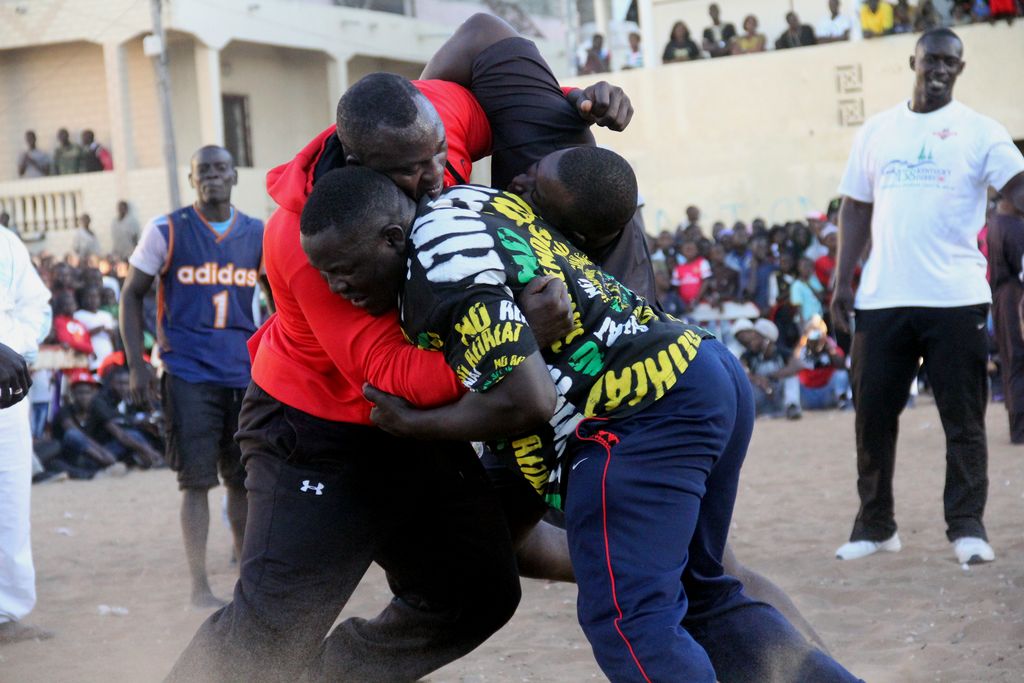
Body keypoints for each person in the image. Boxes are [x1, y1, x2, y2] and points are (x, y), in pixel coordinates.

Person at [166, 15, 635, 682]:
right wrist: (516, 338)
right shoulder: (306, 240)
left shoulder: (427, 129)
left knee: (477, 591)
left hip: (416, 433)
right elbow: (387, 371)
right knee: (270, 629)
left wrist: (570, 100)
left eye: (438, 154)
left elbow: (480, 32)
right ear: (360, 165)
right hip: (315, 427)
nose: (439, 177)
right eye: (414, 171)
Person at [304, 150, 858, 682]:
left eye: (343, 269)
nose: (336, 287)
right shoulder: (466, 201)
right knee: (702, 594)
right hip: (697, 369)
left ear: (391, 238)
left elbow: (529, 401)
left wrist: (415, 424)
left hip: (637, 415)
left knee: (630, 623)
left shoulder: (438, 277)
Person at [830, 28, 1024, 564]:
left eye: (951, 62)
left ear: (960, 70)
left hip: (955, 298)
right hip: (882, 298)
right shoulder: (876, 131)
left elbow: (1016, 186)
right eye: (931, 59)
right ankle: (875, 525)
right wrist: (841, 280)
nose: (939, 68)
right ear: (912, 61)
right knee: (872, 418)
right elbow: (856, 207)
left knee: (962, 419)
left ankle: (967, 528)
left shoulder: (981, 132)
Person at [120, 145, 263, 607]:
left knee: (243, 479)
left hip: (243, 372)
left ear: (234, 175)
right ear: (192, 178)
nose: (213, 177)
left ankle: (246, 581)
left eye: (221, 169)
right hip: (186, 372)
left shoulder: (258, 234)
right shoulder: (167, 229)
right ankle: (199, 585)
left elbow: (282, 299)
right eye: (204, 171)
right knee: (196, 481)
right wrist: (138, 367)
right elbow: (130, 295)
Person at [0, 222, 53, 644]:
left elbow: (36, 306)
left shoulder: (5, 243)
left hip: (5, 392)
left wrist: (14, 349)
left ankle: (5, 613)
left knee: (9, 500)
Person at [986, 191, 1024, 443]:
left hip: (1001, 298)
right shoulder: (1014, 227)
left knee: (1012, 361)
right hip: (1017, 299)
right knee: (1019, 359)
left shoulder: (995, 224)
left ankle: (1017, 427)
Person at [794, 316, 850, 410]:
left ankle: (841, 400)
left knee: (841, 374)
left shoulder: (829, 345)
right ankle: (793, 407)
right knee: (792, 378)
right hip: (807, 394)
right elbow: (793, 365)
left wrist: (829, 350)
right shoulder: (801, 347)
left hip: (826, 392)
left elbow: (842, 365)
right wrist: (808, 347)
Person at [73, 285, 116, 370]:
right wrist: (96, 330)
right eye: (88, 297)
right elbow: (77, 338)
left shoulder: (106, 316)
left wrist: (111, 333)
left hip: (107, 355)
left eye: (95, 297)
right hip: (89, 357)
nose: (92, 300)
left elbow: (113, 339)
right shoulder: (77, 315)